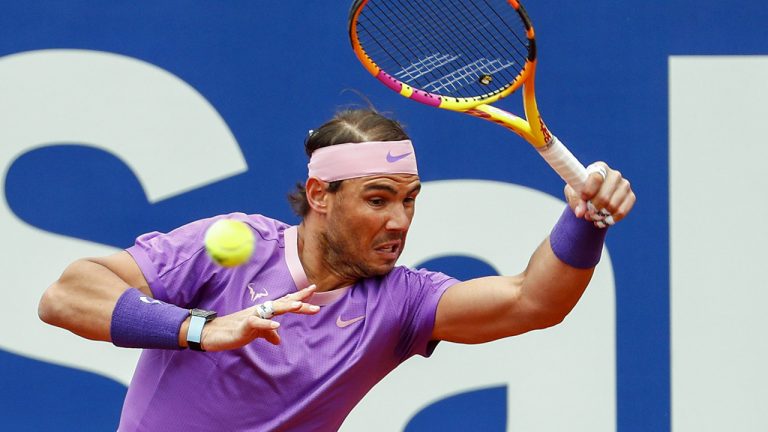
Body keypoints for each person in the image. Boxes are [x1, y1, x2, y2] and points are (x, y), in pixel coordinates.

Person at [38, 108, 635, 431]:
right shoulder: (234, 245)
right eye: (378, 199)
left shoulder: (401, 304)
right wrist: (201, 329)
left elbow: (534, 301)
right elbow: (65, 295)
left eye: (409, 199)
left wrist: (585, 221)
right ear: (321, 194)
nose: (400, 220)